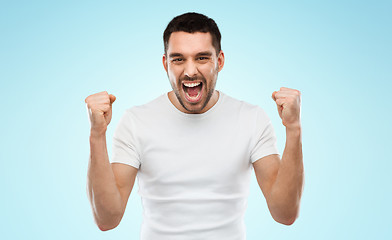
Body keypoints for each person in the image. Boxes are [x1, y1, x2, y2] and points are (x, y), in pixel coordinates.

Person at [85, 12, 304, 240]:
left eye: (201, 58)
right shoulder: (136, 121)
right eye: (178, 59)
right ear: (165, 63)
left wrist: (294, 128)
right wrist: (97, 134)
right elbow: (107, 219)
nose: (190, 71)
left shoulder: (252, 118)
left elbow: (285, 213)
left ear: (219, 61)